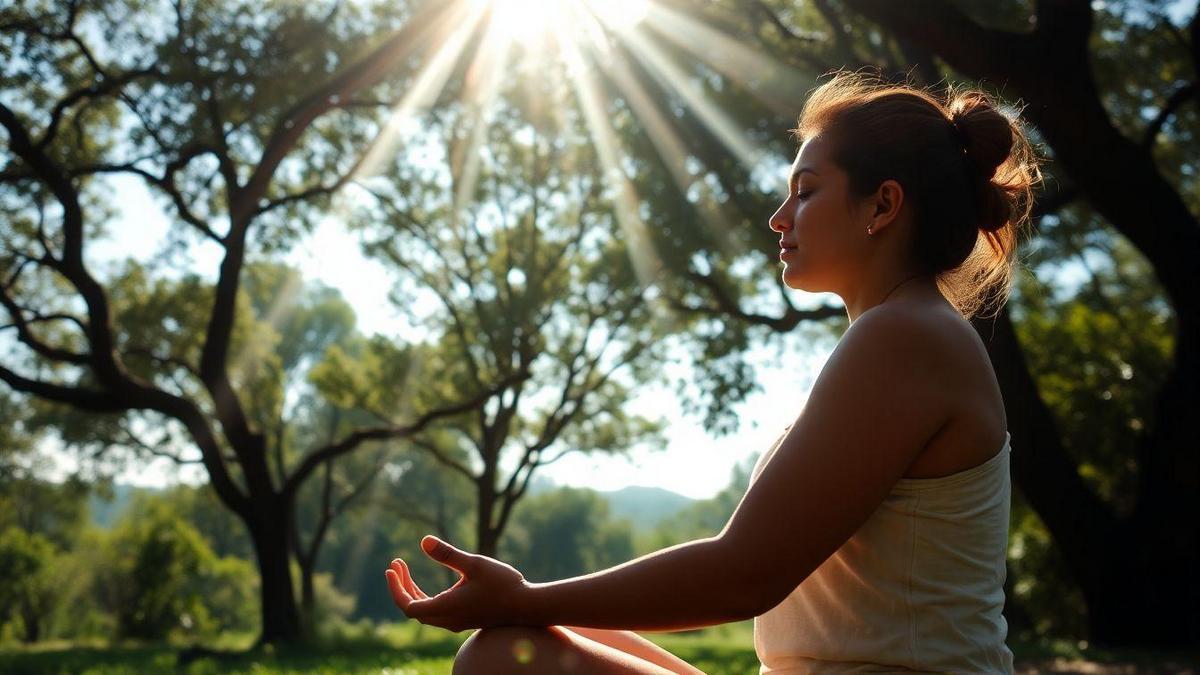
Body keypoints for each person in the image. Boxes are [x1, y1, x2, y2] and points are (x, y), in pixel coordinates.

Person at [384, 69, 1044, 674]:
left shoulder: (906, 335)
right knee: (537, 630)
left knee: (505, 656)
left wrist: (524, 597)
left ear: (882, 205)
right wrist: (532, 603)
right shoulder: (900, 334)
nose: (778, 217)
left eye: (806, 191)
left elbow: (743, 574)